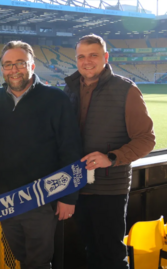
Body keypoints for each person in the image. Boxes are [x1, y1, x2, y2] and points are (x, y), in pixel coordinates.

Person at [0, 41, 83, 269]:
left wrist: (68, 197)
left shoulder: (56, 99)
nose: (13, 69)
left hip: (42, 199)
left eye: (20, 63)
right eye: (8, 64)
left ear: (32, 65)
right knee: (21, 256)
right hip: (5, 199)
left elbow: (70, 149)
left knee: (39, 261)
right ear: (2, 69)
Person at [64, 34, 155, 269]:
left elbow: (146, 139)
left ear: (105, 57)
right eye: (81, 56)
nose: (87, 61)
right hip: (77, 186)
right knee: (90, 250)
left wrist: (112, 158)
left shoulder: (126, 90)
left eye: (93, 55)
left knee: (111, 255)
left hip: (109, 189)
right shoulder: (69, 89)